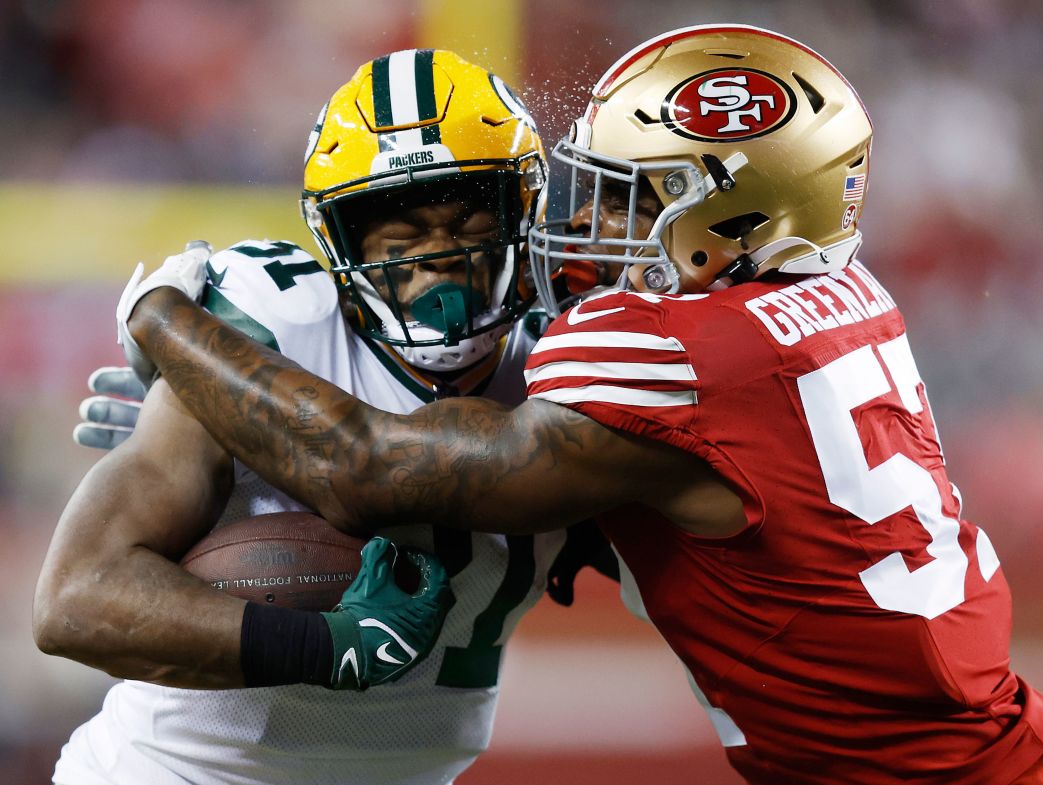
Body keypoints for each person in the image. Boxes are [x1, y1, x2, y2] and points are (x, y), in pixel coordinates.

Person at [109, 23, 1043, 785]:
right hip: (1021, 740)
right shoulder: (835, 291)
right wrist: (227, 420)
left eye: (634, 196)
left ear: (735, 219)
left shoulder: (670, 355)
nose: (588, 222)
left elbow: (363, 468)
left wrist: (166, 321)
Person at [33, 49, 615, 785]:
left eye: (463, 213)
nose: (436, 256)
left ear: (521, 212)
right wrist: (319, 643)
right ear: (337, 239)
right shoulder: (273, 328)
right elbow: (74, 598)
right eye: (394, 231)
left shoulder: (579, 365)